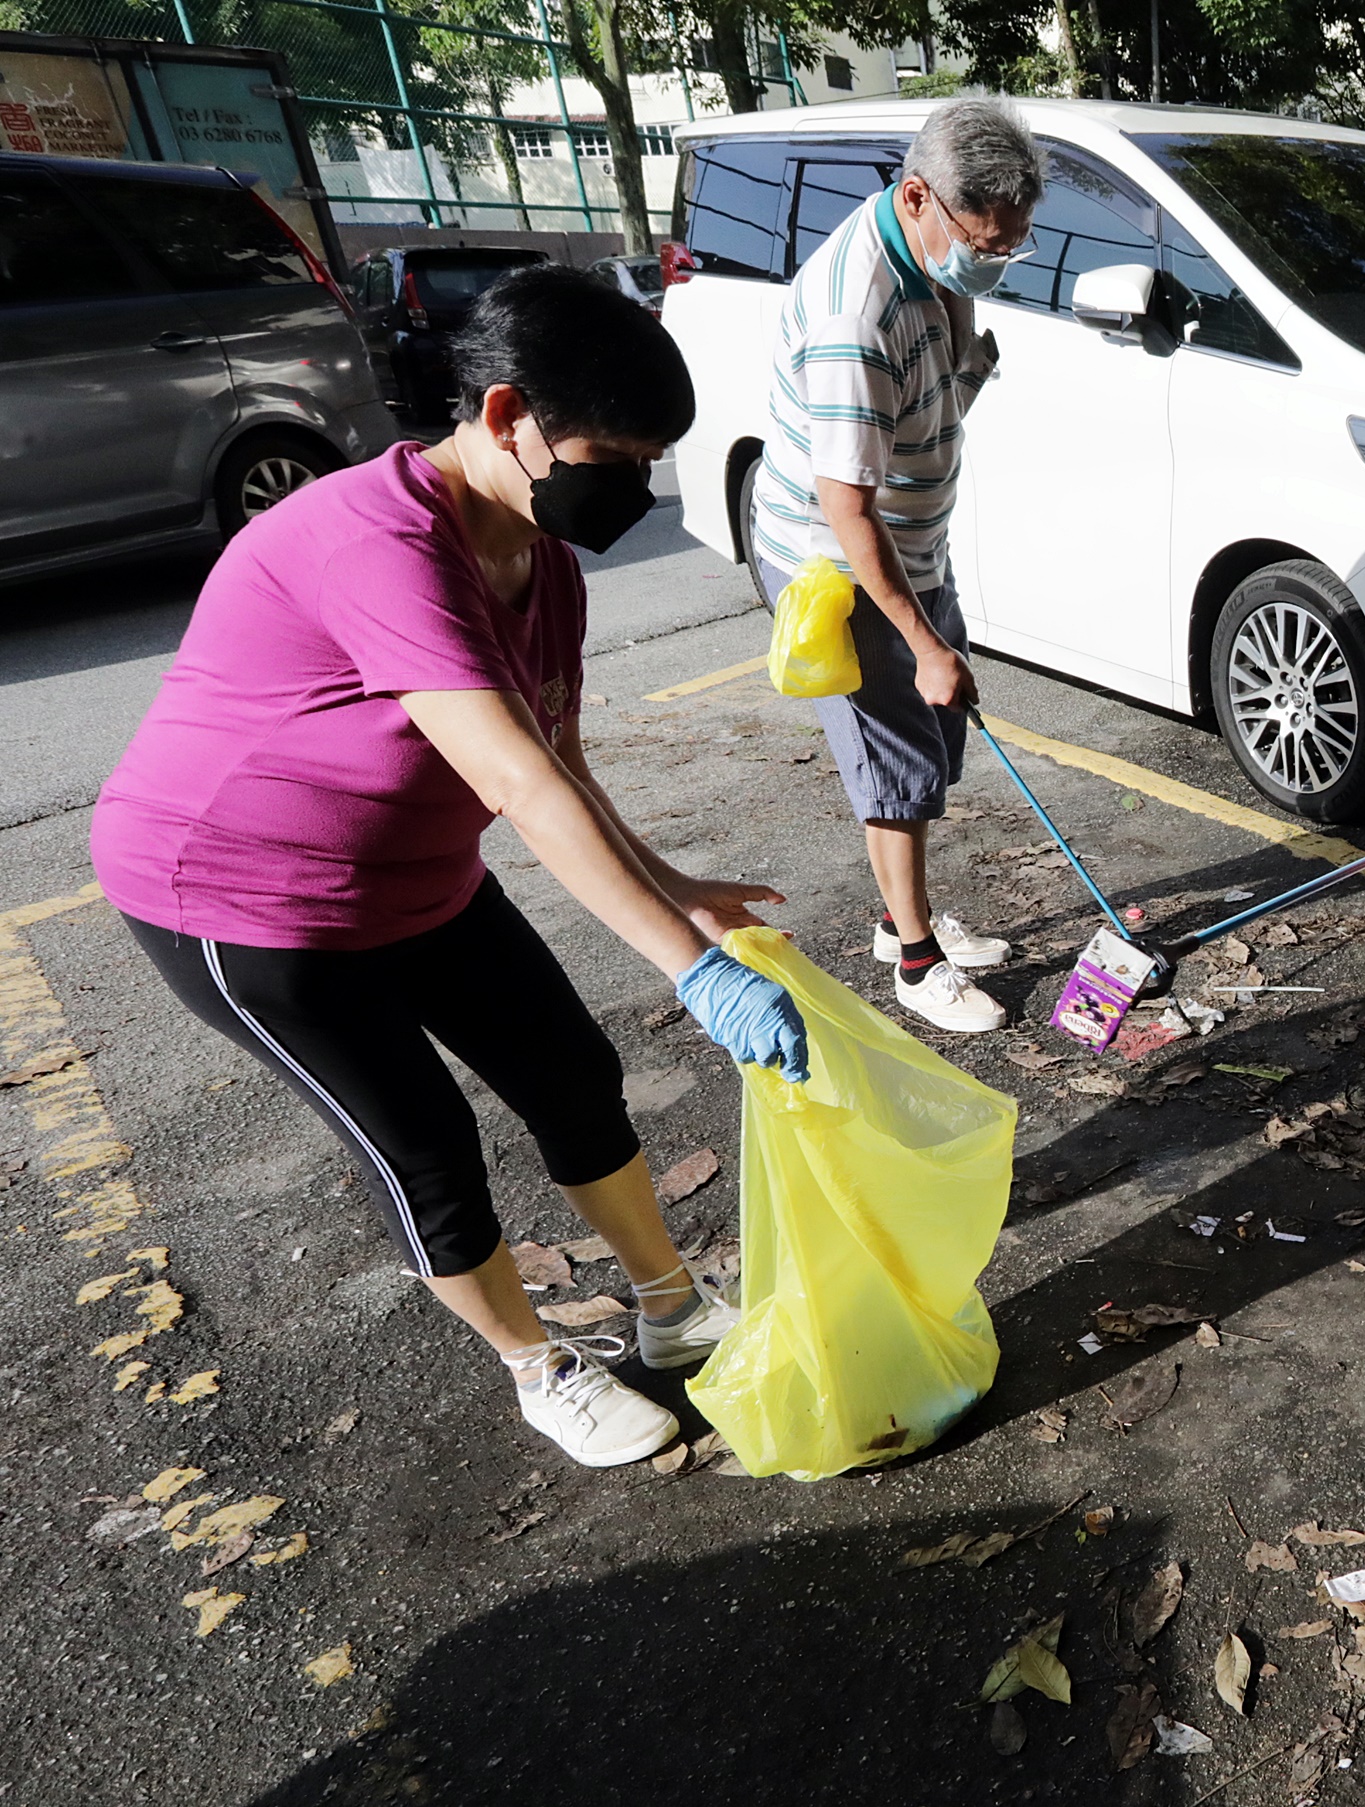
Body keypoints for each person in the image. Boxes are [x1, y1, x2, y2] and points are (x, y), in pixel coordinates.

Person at [90, 266, 809, 1469]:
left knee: (571, 1072)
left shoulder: (546, 558)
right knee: (424, 1143)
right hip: (241, 898)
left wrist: (672, 883)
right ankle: (539, 1367)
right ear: (503, 415)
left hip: (417, 876)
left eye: (647, 463)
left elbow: (560, 760)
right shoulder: (374, 540)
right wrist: (695, 970)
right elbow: (517, 787)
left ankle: (672, 1309)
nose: (628, 489)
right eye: (612, 457)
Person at [750, 99, 1045, 1034]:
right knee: (898, 757)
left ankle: (896, 917)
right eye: (984, 243)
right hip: (836, 566)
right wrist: (922, 642)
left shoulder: (932, 254)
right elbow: (846, 510)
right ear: (917, 195)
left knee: (935, 736)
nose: (991, 262)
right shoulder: (856, 313)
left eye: (1008, 247)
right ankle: (915, 963)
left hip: (911, 546)